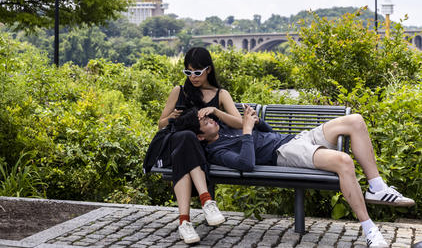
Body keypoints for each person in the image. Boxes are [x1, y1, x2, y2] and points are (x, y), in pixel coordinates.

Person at [191, 105, 415, 248]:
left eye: (211, 118)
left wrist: (256, 122)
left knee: (355, 120)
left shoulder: (227, 128)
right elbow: (246, 164)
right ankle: (370, 231)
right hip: (285, 153)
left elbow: (267, 133)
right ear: (200, 137)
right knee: (343, 161)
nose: (212, 121)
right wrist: (247, 130)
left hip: (296, 139)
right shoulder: (216, 151)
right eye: (206, 122)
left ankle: (377, 186)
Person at [156, 47, 242, 244]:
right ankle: (206, 201)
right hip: (176, 146)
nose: (192, 77)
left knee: (187, 145)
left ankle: (184, 223)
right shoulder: (179, 91)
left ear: (208, 70)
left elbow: (239, 122)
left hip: (200, 151)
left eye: (197, 72)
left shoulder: (220, 94)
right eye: (188, 72)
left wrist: (216, 111)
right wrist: (171, 117)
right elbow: (161, 124)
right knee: (185, 137)